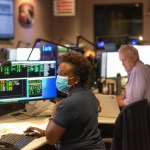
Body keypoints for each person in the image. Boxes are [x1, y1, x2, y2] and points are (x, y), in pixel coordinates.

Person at [24, 52, 106, 150]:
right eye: (58, 73)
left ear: (76, 79)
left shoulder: (68, 104)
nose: (58, 77)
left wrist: (55, 108)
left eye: (63, 74)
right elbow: (76, 130)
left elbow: (51, 140)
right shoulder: (90, 94)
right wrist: (45, 132)